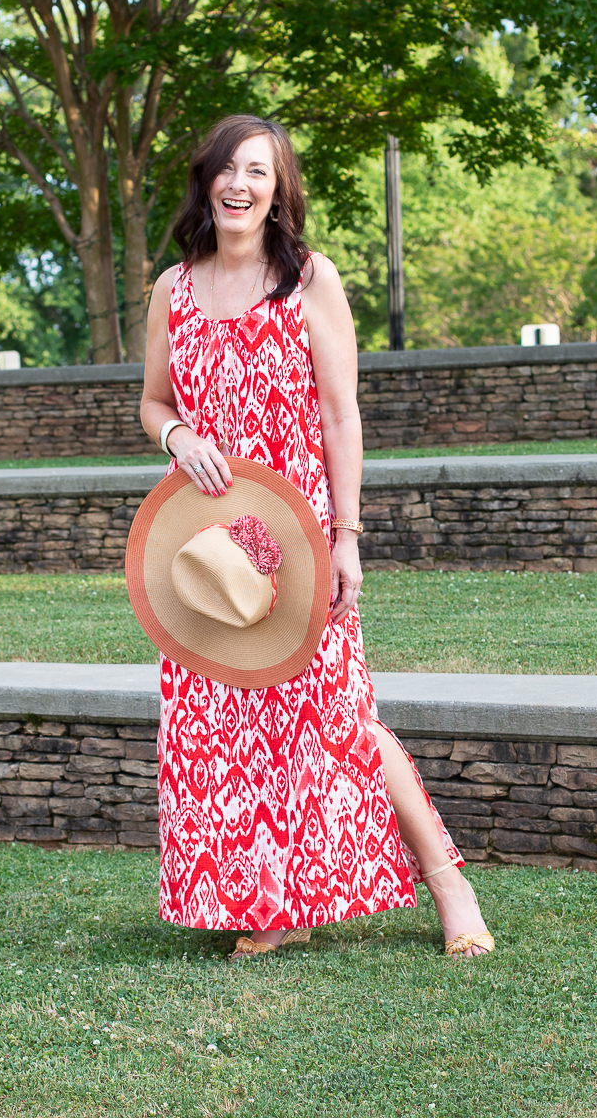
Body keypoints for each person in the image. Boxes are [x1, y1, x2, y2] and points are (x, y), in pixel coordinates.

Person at [140, 114, 493, 960]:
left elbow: (341, 415)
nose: (239, 184)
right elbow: (155, 402)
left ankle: (449, 883)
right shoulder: (171, 289)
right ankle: (273, 904)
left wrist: (348, 536)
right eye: (227, 169)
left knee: (337, 720)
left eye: (257, 171)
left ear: (278, 189)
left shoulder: (308, 279)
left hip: (298, 534)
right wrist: (177, 437)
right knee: (225, 725)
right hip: (211, 545)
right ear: (205, 182)